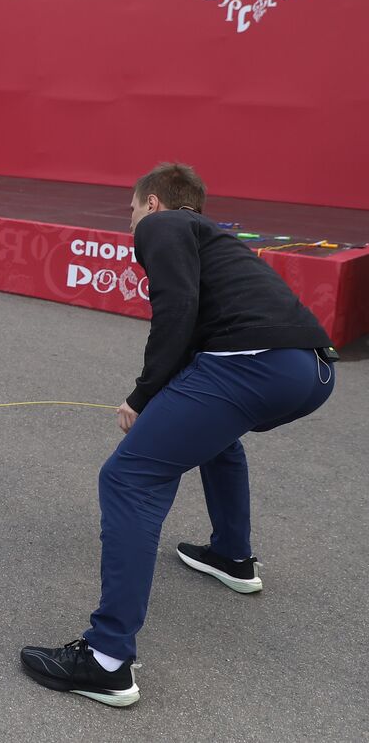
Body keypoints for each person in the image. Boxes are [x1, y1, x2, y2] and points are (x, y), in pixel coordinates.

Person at [20, 162, 337, 708]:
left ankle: (106, 660)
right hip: (310, 371)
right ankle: (232, 557)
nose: (130, 222)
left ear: (153, 203)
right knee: (217, 438)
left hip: (254, 363)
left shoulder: (163, 225)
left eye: (131, 210)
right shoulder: (214, 238)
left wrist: (142, 396)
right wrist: (162, 394)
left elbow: (177, 308)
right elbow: (200, 326)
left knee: (129, 478)